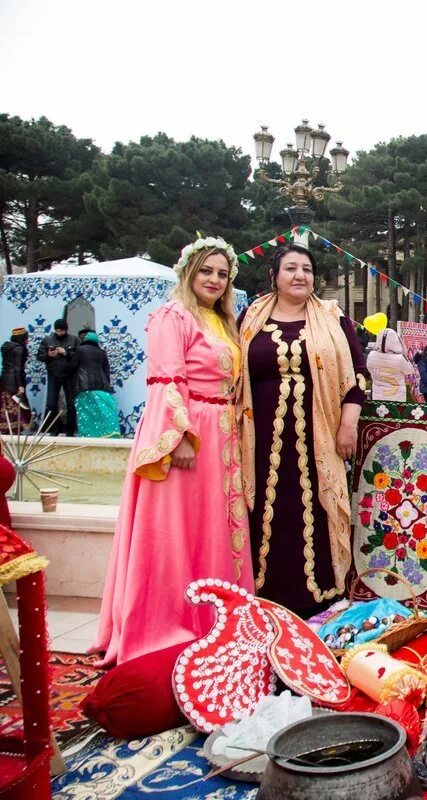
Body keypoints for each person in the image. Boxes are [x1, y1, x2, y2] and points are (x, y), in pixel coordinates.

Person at [93, 236, 252, 666]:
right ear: (188, 272)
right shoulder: (173, 316)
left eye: (222, 273)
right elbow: (166, 379)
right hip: (188, 431)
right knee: (174, 530)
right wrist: (179, 436)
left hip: (221, 434)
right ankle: (165, 622)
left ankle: (213, 620)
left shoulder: (223, 321)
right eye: (207, 271)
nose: (215, 280)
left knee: (210, 528)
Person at [239, 244, 368, 616]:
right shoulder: (250, 318)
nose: (300, 276)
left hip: (320, 437)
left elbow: (357, 376)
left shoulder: (332, 317)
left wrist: (348, 426)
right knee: (263, 508)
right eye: (291, 268)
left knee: (313, 509)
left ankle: (320, 599)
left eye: (307, 269)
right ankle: (262, 597)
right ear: (274, 276)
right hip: (258, 440)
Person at [37, 318, 79, 435]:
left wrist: (66, 353)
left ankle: (70, 430)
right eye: (57, 330)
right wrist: (49, 355)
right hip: (53, 375)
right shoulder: (48, 339)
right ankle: (55, 428)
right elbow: (39, 356)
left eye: (61, 331)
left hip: (69, 375)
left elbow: (79, 356)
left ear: (66, 330)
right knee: (51, 403)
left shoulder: (74, 339)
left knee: (71, 403)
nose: (59, 333)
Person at [74, 332, 119, 438]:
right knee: (103, 412)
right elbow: (106, 371)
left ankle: (88, 436)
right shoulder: (102, 352)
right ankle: (108, 434)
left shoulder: (79, 350)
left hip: (84, 387)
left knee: (87, 414)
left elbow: (72, 366)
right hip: (101, 388)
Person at [366, 327, 415, 402]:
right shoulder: (399, 359)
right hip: (397, 397)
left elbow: (369, 370)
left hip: (378, 395)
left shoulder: (371, 355)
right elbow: (409, 371)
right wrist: (406, 356)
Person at [0, 328, 31, 433]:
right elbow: (18, 368)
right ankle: (16, 429)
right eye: (27, 338)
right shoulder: (19, 349)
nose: (28, 341)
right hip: (14, 381)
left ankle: (7, 428)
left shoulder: (5, 347)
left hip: (4, 380)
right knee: (18, 406)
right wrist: (20, 385)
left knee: (6, 406)